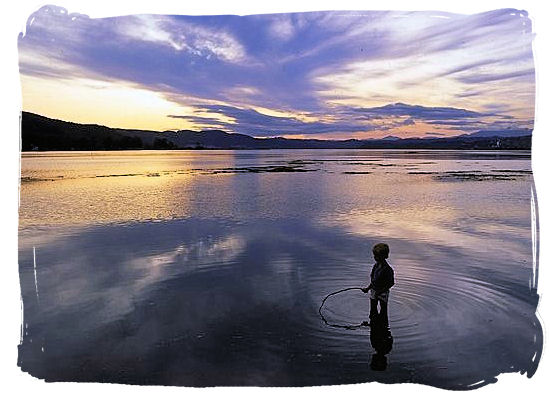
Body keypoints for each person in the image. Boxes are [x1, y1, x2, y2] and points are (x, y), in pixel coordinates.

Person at [362, 243, 394, 323]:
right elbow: (373, 280)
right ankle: (373, 324)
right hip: (374, 290)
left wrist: (380, 291)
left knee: (383, 310)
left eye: (378, 256)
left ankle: (383, 326)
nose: (375, 258)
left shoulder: (388, 269)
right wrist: (368, 288)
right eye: (375, 255)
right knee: (373, 308)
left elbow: (391, 283)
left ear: (385, 256)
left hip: (383, 292)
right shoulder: (375, 266)